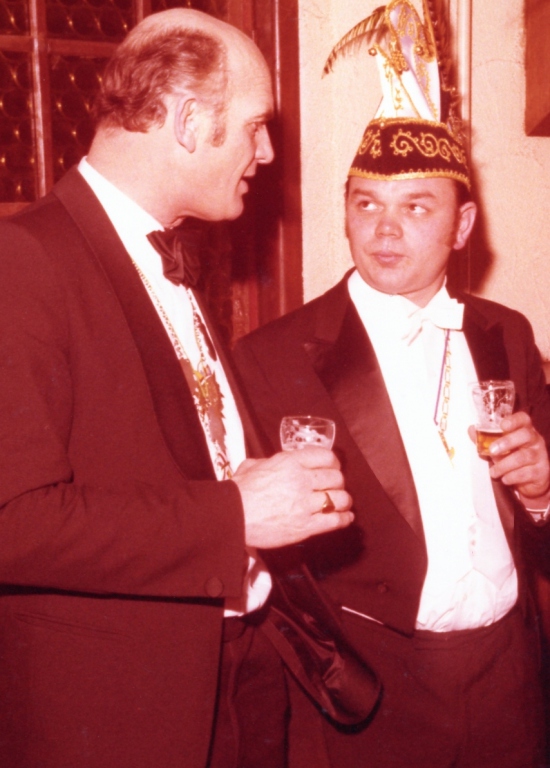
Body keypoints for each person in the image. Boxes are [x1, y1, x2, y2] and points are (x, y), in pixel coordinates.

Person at [0, 9, 355, 768]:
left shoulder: (168, 252)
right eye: (256, 126)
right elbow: (13, 522)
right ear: (189, 122)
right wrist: (236, 513)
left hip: (239, 679)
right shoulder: (23, 259)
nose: (267, 152)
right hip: (121, 716)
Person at [234, 2, 550, 766]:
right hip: (372, 700)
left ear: (462, 226)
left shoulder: (506, 332)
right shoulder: (270, 358)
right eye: (367, 204)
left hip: (512, 680)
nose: (384, 229)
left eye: (416, 207)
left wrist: (544, 493)